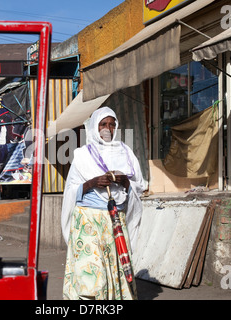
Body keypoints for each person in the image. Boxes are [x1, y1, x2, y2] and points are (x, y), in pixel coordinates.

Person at [61, 106, 147, 300]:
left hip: (115, 221)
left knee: (115, 267)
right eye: (103, 124)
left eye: (112, 124)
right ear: (94, 127)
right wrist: (92, 183)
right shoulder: (83, 155)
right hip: (87, 221)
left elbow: (138, 186)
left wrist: (124, 181)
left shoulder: (126, 152)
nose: (107, 129)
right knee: (91, 272)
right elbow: (71, 190)